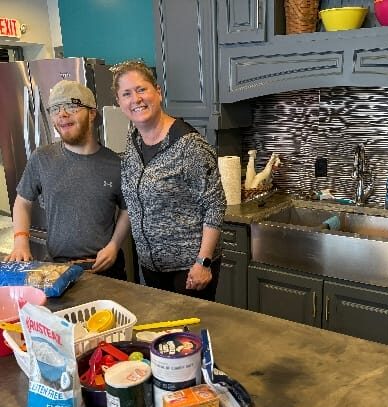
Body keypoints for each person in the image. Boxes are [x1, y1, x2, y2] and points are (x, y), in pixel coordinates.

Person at [111, 60, 226, 300]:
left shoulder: (189, 146)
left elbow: (215, 206)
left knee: (190, 336)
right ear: (119, 103)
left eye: (142, 89)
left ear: (158, 92)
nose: (136, 99)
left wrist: (203, 262)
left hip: (189, 270)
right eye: (127, 94)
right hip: (151, 267)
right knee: (161, 334)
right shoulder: (133, 140)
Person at [5, 80, 131, 280]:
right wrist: (21, 240)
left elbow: (127, 209)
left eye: (72, 106)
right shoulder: (42, 158)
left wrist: (114, 245)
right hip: (57, 268)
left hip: (106, 269)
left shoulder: (116, 164)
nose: (62, 114)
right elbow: (23, 201)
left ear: (91, 113)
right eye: (55, 109)